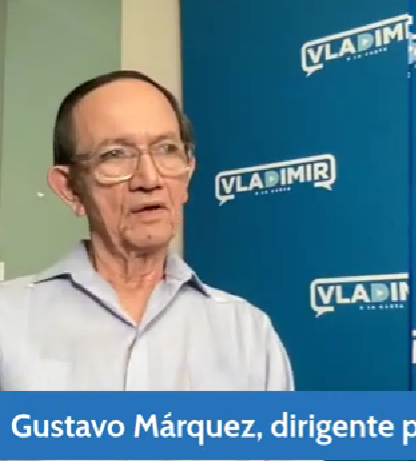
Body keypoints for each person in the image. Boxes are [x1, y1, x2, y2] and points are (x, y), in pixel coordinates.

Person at [0, 70, 294, 391]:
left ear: (187, 176)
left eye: (167, 149)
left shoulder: (247, 333)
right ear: (70, 189)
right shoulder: (8, 319)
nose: (149, 179)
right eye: (115, 155)